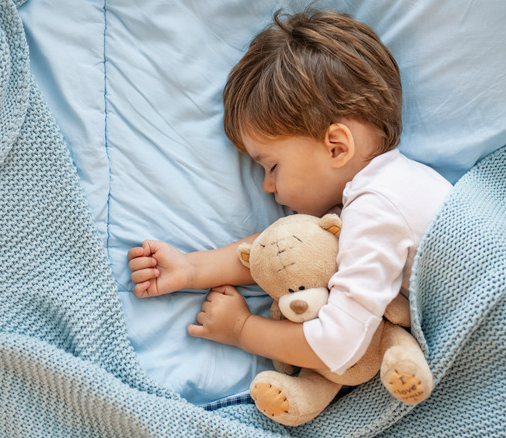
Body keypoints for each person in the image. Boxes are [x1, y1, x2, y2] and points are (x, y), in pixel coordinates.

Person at [127, 8, 452, 376]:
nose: (267, 186)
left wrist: (242, 330)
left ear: (335, 147)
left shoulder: (377, 208)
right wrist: (190, 269)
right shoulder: (396, 185)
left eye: (272, 166)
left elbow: (338, 344)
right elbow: (286, 251)